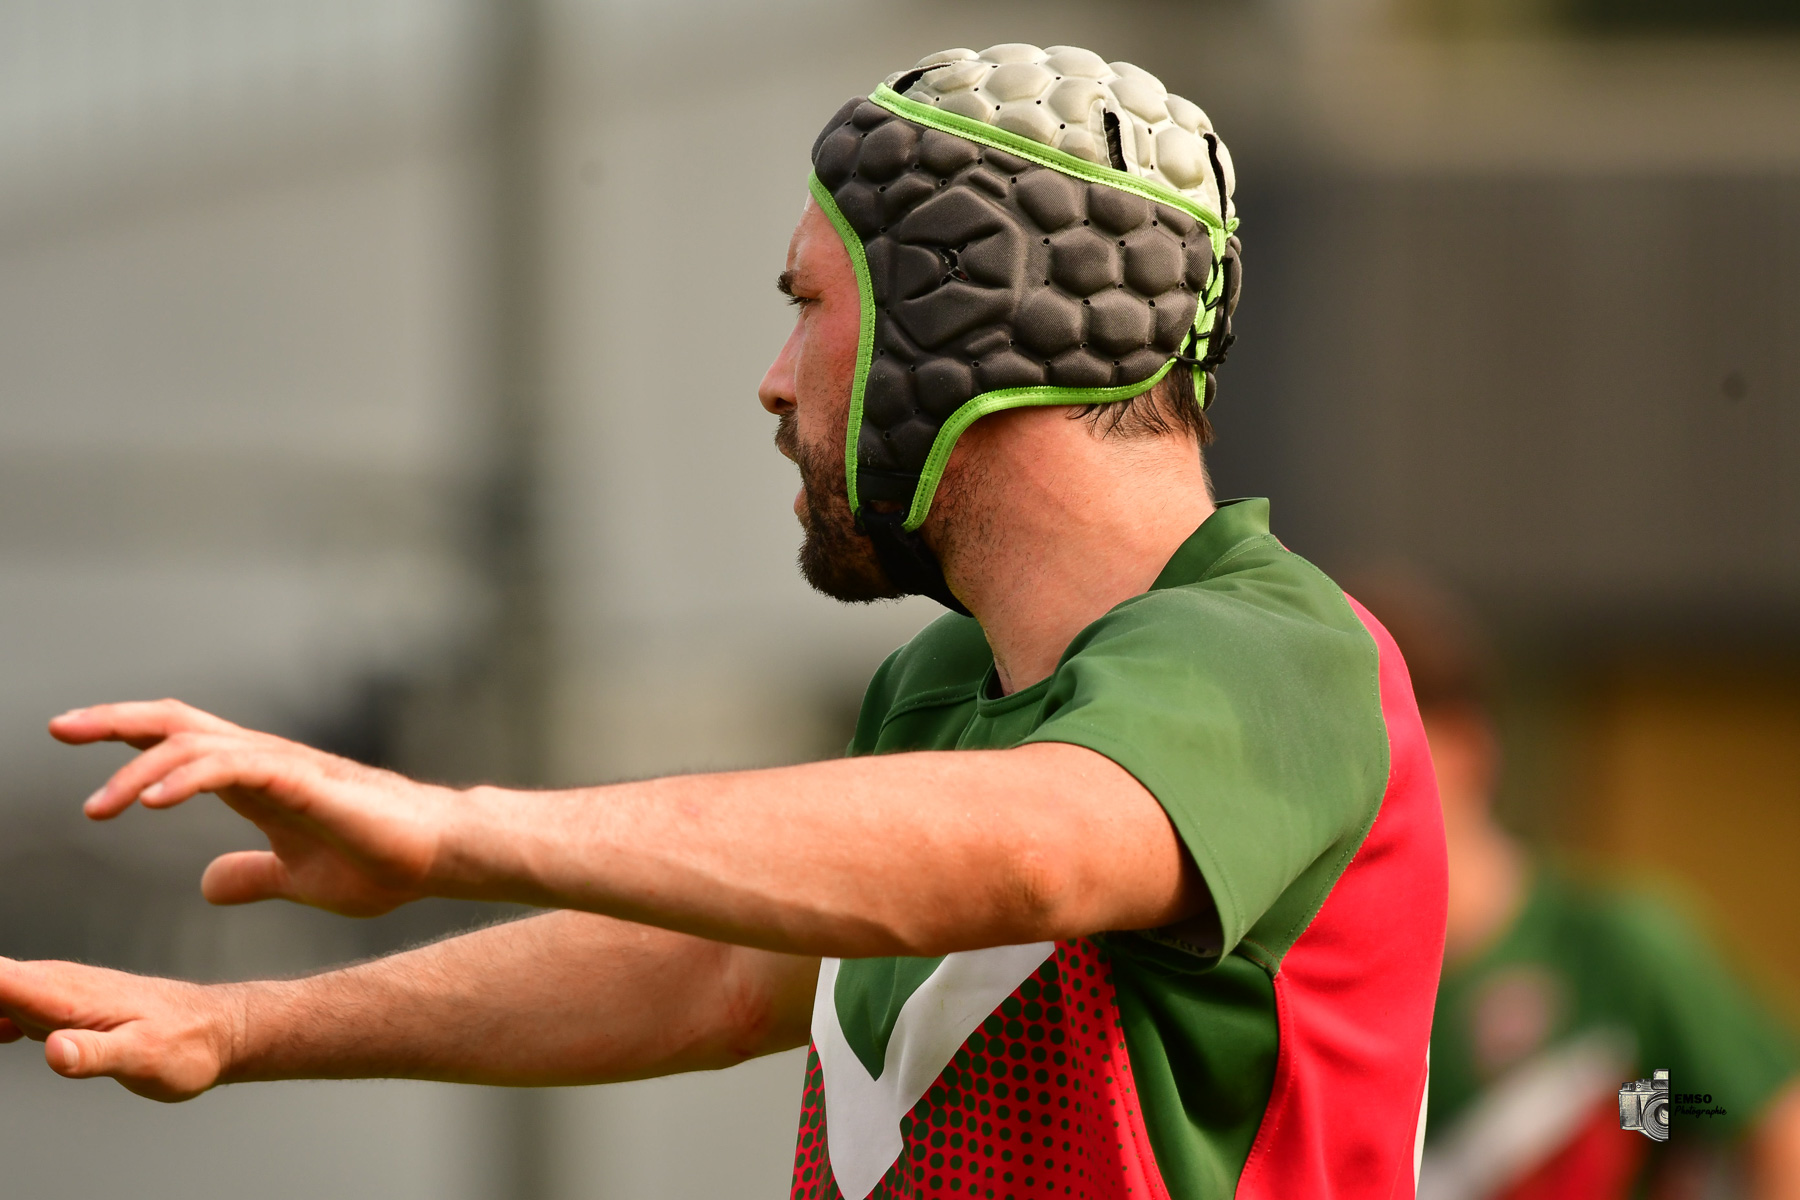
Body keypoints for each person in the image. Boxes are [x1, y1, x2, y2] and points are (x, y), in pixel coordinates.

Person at [0, 46, 1447, 1200]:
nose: (769, 382)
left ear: (971, 324)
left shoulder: (1282, 653)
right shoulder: (948, 688)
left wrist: (446, 830)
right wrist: (235, 1029)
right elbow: (719, 967)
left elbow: (1033, 852)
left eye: (806, 305)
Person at [1351, 574, 1800, 1200]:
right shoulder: (1321, 979)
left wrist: (1637, 1118)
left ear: (1469, 747)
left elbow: (1763, 1123)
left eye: (1369, 740)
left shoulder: (1619, 948)